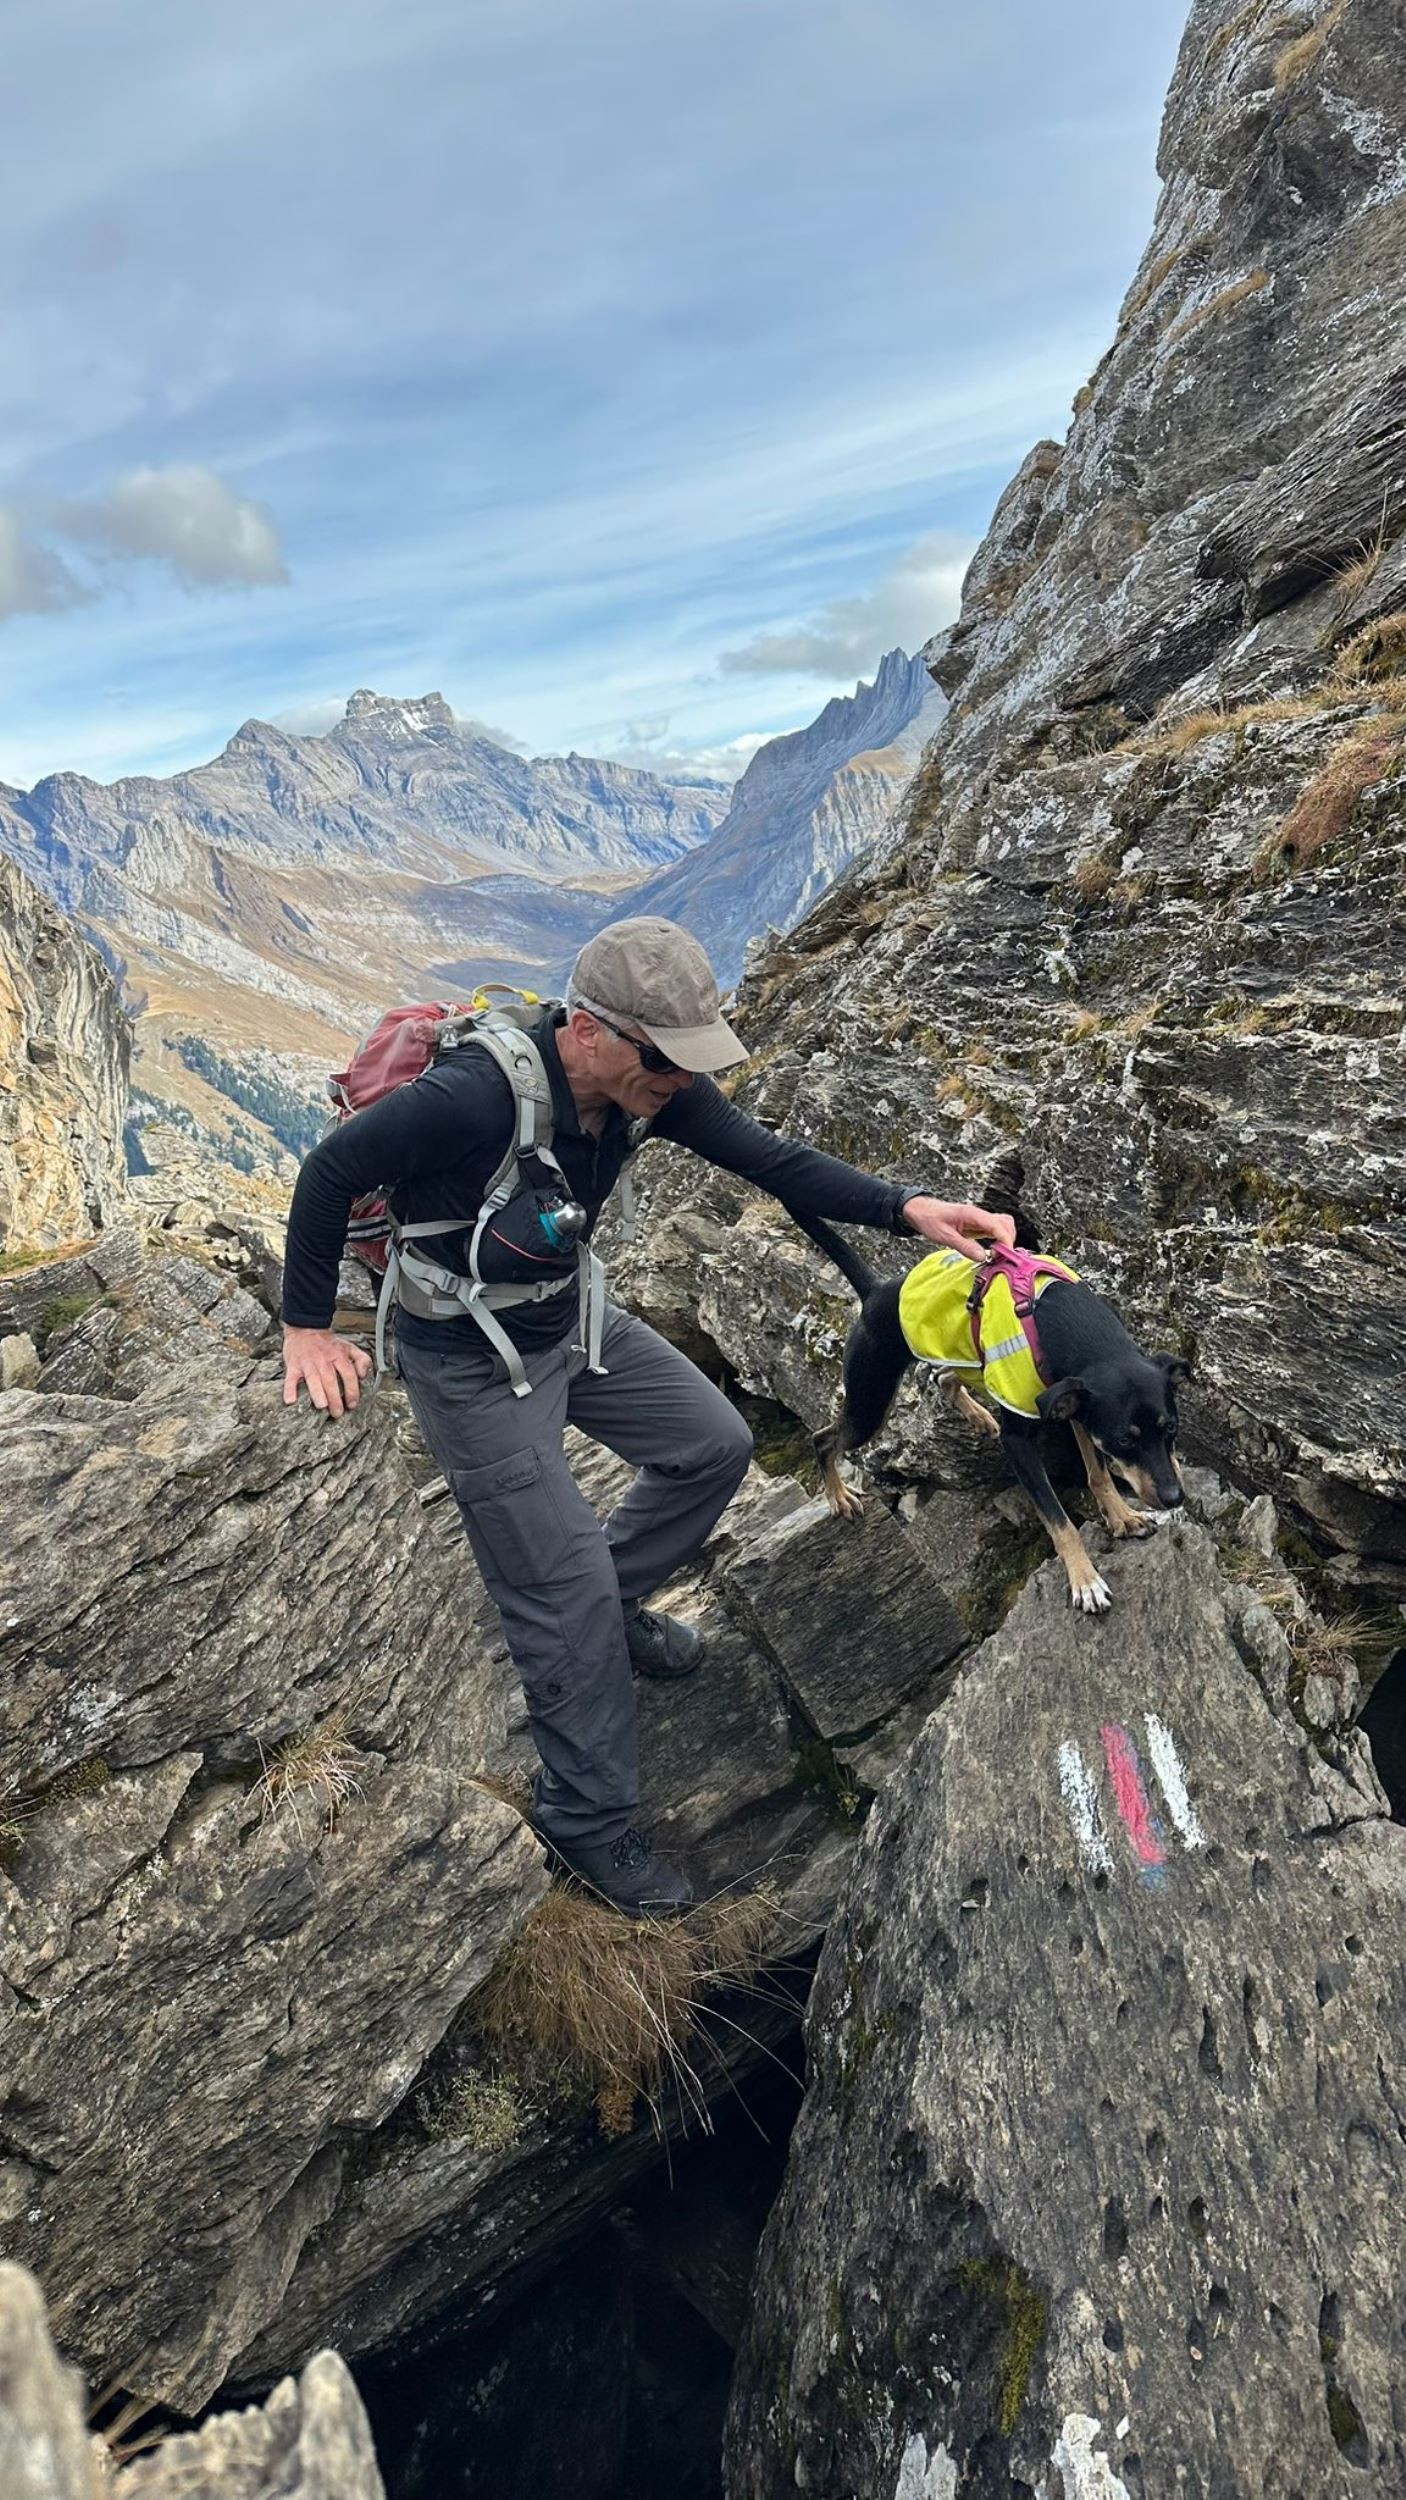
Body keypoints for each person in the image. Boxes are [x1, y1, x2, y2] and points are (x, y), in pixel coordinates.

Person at [281, 916, 1015, 1915]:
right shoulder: (476, 1094)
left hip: (565, 1320)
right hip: (468, 1359)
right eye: (663, 1057)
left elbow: (770, 1157)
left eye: (686, 1061)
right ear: (587, 1030)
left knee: (708, 1445)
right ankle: (585, 1820)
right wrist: (307, 1326)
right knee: (558, 1590)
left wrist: (908, 1209)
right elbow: (328, 1173)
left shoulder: (643, 1089)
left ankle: (607, 1605)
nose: (678, 1078)